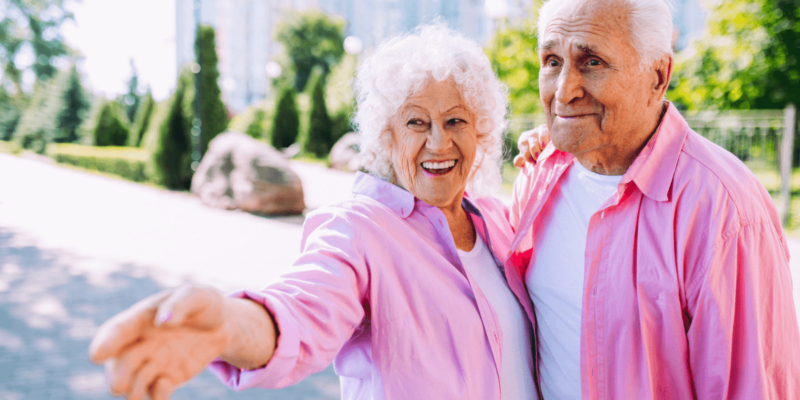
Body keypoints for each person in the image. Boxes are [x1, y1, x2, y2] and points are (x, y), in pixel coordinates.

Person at [88, 24, 542, 400]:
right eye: (416, 122)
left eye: (456, 120)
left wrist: (552, 154)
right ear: (387, 138)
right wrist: (227, 327)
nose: (438, 142)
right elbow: (303, 310)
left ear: (480, 130)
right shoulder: (358, 231)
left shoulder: (497, 222)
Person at [506, 0, 800, 398]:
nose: (564, 90)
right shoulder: (538, 176)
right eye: (552, 60)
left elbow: (752, 388)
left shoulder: (724, 209)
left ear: (658, 76)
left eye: (591, 62)